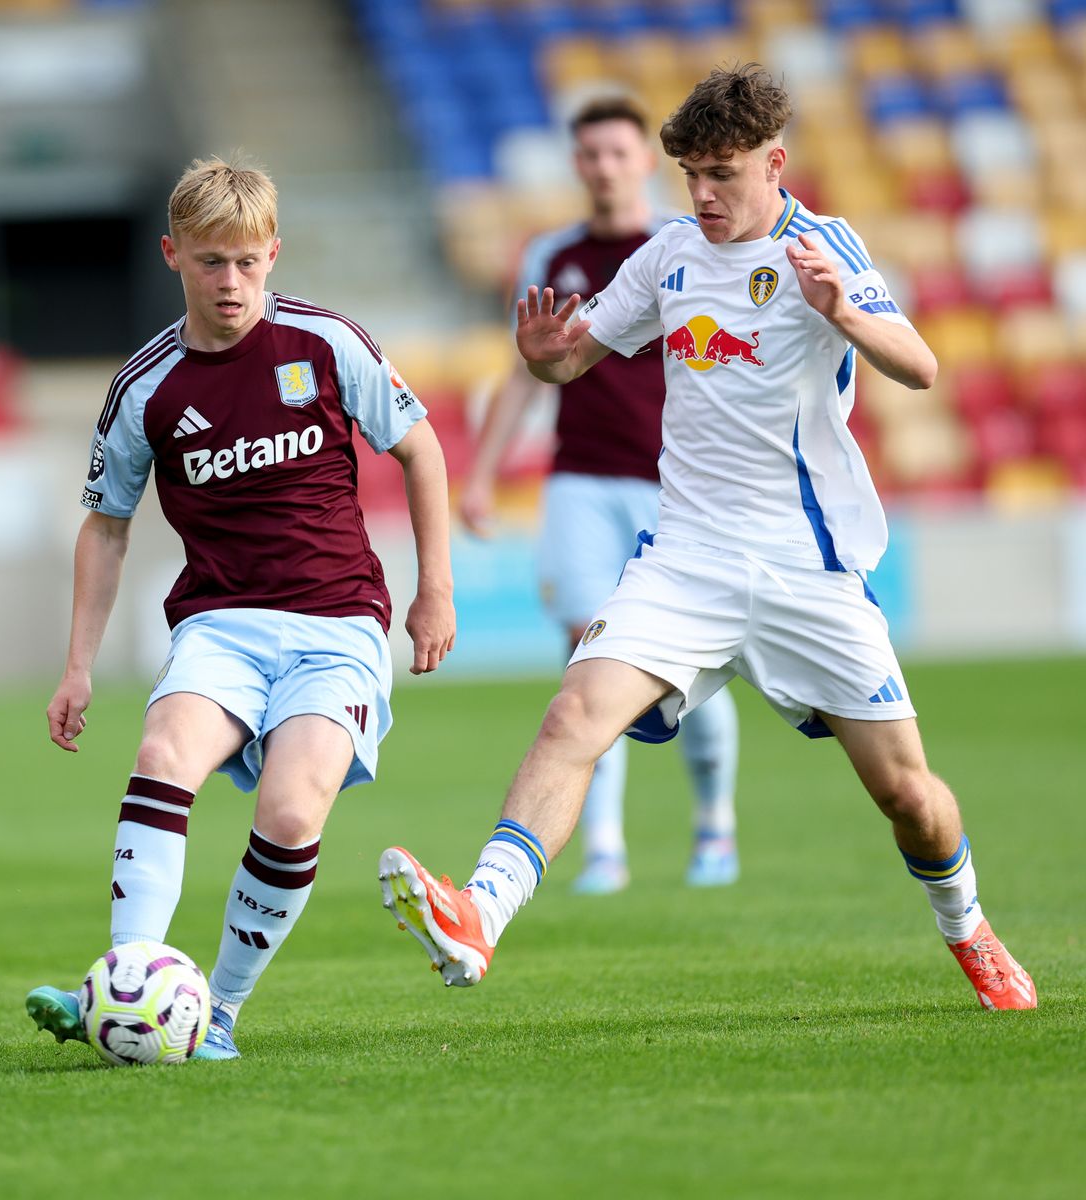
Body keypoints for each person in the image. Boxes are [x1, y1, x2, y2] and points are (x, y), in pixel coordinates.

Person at [380, 65, 1035, 1011]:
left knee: (909, 796)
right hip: (685, 556)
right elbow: (578, 354)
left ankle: (968, 928)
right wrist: (545, 359)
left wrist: (842, 311)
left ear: (774, 163)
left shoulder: (825, 248)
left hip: (807, 568)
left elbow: (923, 367)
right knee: (573, 715)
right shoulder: (668, 254)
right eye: (689, 173)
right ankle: (479, 912)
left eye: (721, 173)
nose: (702, 194)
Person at [25, 156, 456, 1059]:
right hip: (221, 625)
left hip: (339, 624)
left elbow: (422, 452)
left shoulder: (327, 345)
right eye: (212, 262)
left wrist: (433, 593)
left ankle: (215, 1012)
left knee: (294, 815)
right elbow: (105, 527)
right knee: (161, 755)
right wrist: (77, 664)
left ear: (274, 255)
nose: (233, 283)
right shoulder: (145, 387)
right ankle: (129, 984)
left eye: (249, 262)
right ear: (172, 255)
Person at [459, 96, 740, 895]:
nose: (604, 167)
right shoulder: (555, 254)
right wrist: (480, 474)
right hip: (579, 480)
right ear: (576, 163)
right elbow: (527, 367)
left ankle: (714, 823)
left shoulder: (684, 246)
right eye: (590, 155)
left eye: (618, 153)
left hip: (676, 487)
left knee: (689, 666)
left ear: (644, 162)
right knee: (591, 655)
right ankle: (604, 846)